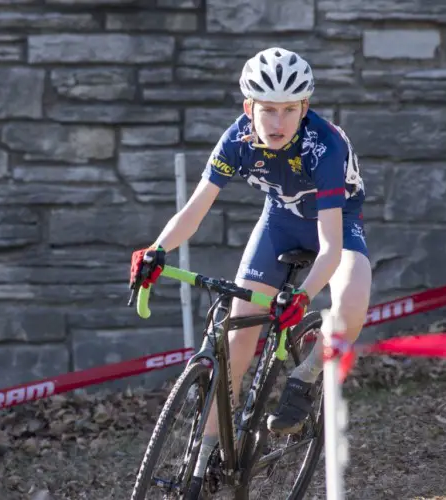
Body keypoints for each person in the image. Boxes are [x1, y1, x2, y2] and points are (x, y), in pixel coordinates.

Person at [128, 47, 372, 492]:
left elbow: (332, 246)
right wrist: (157, 250)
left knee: (353, 300)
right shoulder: (237, 139)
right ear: (249, 109)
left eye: (289, 110)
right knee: (238, 335)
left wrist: (300, 298)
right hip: (278, 222)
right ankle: (204, 460)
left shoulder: (325, 146)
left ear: (305, 108)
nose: (277, 123)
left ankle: (304, 377)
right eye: (267, 111)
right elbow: (196, 208)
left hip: (333, 223)